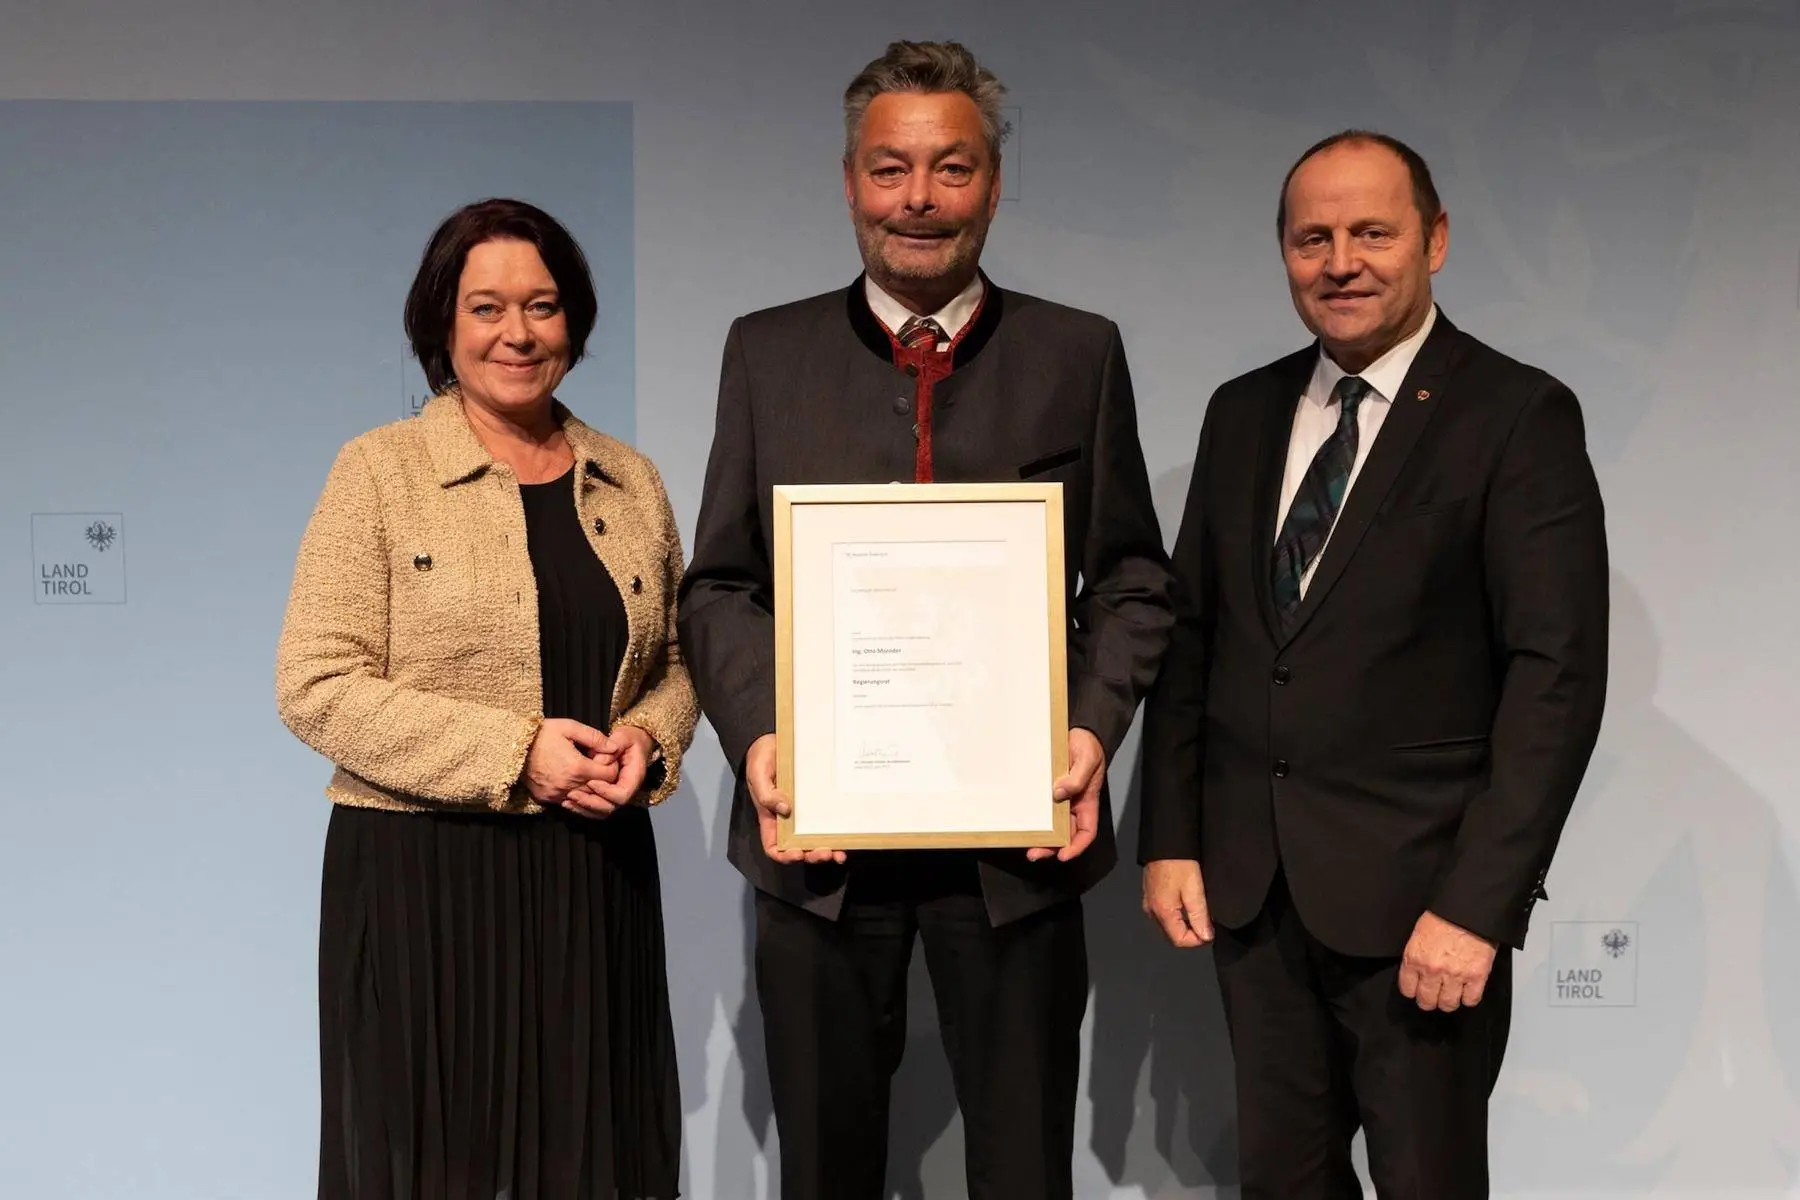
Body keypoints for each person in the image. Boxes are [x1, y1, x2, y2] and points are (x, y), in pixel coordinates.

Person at [678, 39, 1172, 1200]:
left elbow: (1135, 579)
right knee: (826, 1167)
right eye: (890, 168)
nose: (919, 199)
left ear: (994, 185)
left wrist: (1091, 731)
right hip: (821, 848)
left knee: (1021, 1169)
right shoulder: (768, 351)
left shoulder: (1077, 353)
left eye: (951, 169)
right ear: (849, 181)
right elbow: (721, 584)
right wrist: (760, 739)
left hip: (1015, 845)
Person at [1139, 130, 1610, 1197]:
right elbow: (1194, 638)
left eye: (1371, 232)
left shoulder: (1517, 414)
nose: (1340, 261)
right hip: (1255, 899)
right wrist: (1170, 836)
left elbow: (1557, 679)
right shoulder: (1242, 411)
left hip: (1422, 912)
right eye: (1313, 238)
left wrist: (1478, 907)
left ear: (1434, 240)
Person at [276, 198, 695, 1200]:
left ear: (575, 323)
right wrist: (517, 751)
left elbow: (676, 662)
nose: (518, 333)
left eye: (543, 306)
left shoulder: (629, 480)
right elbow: (315, 685)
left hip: (593, 879)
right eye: (487, 308)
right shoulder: (377, 472)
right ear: (442, 325)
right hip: (423, 884)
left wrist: (650, 737)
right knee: (430, 1167)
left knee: (597, 1159)